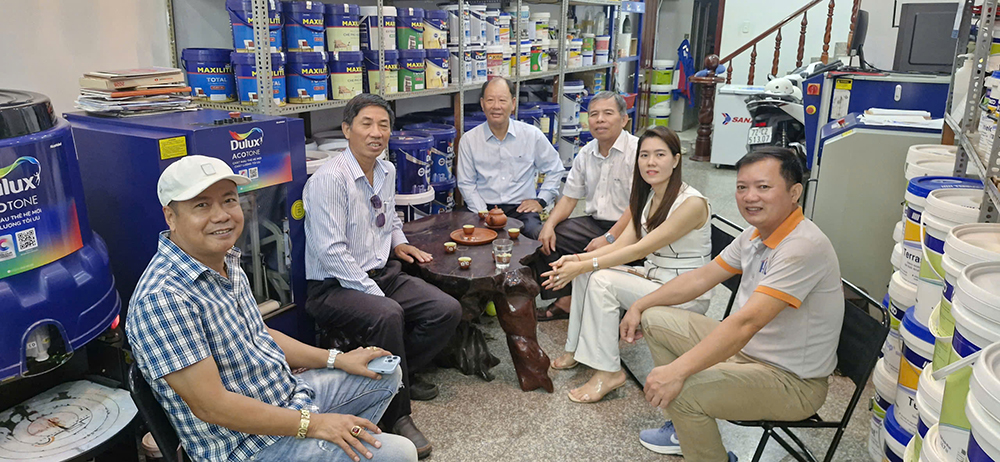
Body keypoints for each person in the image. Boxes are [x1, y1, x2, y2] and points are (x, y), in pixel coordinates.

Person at [126, 155, 417, 462]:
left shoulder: (225, 261)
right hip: (246, 447)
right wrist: (315, 425)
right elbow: (212, 407)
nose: (221, 215)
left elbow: (259, 334)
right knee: (399, 454)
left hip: (284, 398)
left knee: (383, 371)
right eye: (202, 205)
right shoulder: (163, 298)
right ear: (170, 217)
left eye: (229, 200)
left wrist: (338, 359)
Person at [619, 147, 843, 462]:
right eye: (742, 187)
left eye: (763, 187)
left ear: (794, 193)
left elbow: (746, 323)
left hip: (791, 382)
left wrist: (676, 372)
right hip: (748, 354)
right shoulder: (756, 234)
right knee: (655, 318)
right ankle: (686, 431)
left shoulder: (802, 246)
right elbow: (701, 278)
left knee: (683, 390)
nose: (750, 197)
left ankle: (698, 437)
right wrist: (639, 305)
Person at [303, 94, 462, 459]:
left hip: (380, 272)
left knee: (445, 309)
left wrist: (400, 242)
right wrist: (373, 291)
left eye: (384, 125)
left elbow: (389, 217)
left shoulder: (386, 170)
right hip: (333, 285)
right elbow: (330, 251)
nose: (376, 133)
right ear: (347, 130)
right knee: (388, 313)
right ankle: (397, 415)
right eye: (366, 124)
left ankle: (398, 377)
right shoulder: (330, 179)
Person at [541, 126, 712, 404]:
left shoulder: (691, 203)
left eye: (660, 155)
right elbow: (621, 244)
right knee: (587, 275)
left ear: (676, 160)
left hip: (684, 292)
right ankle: (577, 349)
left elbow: (639, 249)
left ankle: (609, 372)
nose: (650, 162)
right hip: (657, 278)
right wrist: (577, 261)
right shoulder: (651, 195)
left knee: (600, 280)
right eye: (644, 155)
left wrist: (585, 265)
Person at [533, 91, 638, 322]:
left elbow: (637, 206)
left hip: (631, 228)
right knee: (546, 239)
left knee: (616, 247)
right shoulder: (586, 152)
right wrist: (548, 225)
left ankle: (621, 299)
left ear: (624, 119)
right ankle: (565, 300)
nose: (600, 119)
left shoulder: (637, 151)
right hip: (595, 223)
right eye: (593, 114)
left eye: (607, 113)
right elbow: (569, 198)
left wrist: (609, 238)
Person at [456, 77, 565, 239]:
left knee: (536, 239)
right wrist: (483, 212)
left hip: (521, 210)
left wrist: (541, 201)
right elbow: (466, 183)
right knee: (463, 239)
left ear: (513, 103)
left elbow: (555, 169)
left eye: (502, 100)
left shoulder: (531, 135)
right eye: (490, 100)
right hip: (482, 208)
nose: (496, 106)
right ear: (482, 104)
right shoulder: (469, 140)